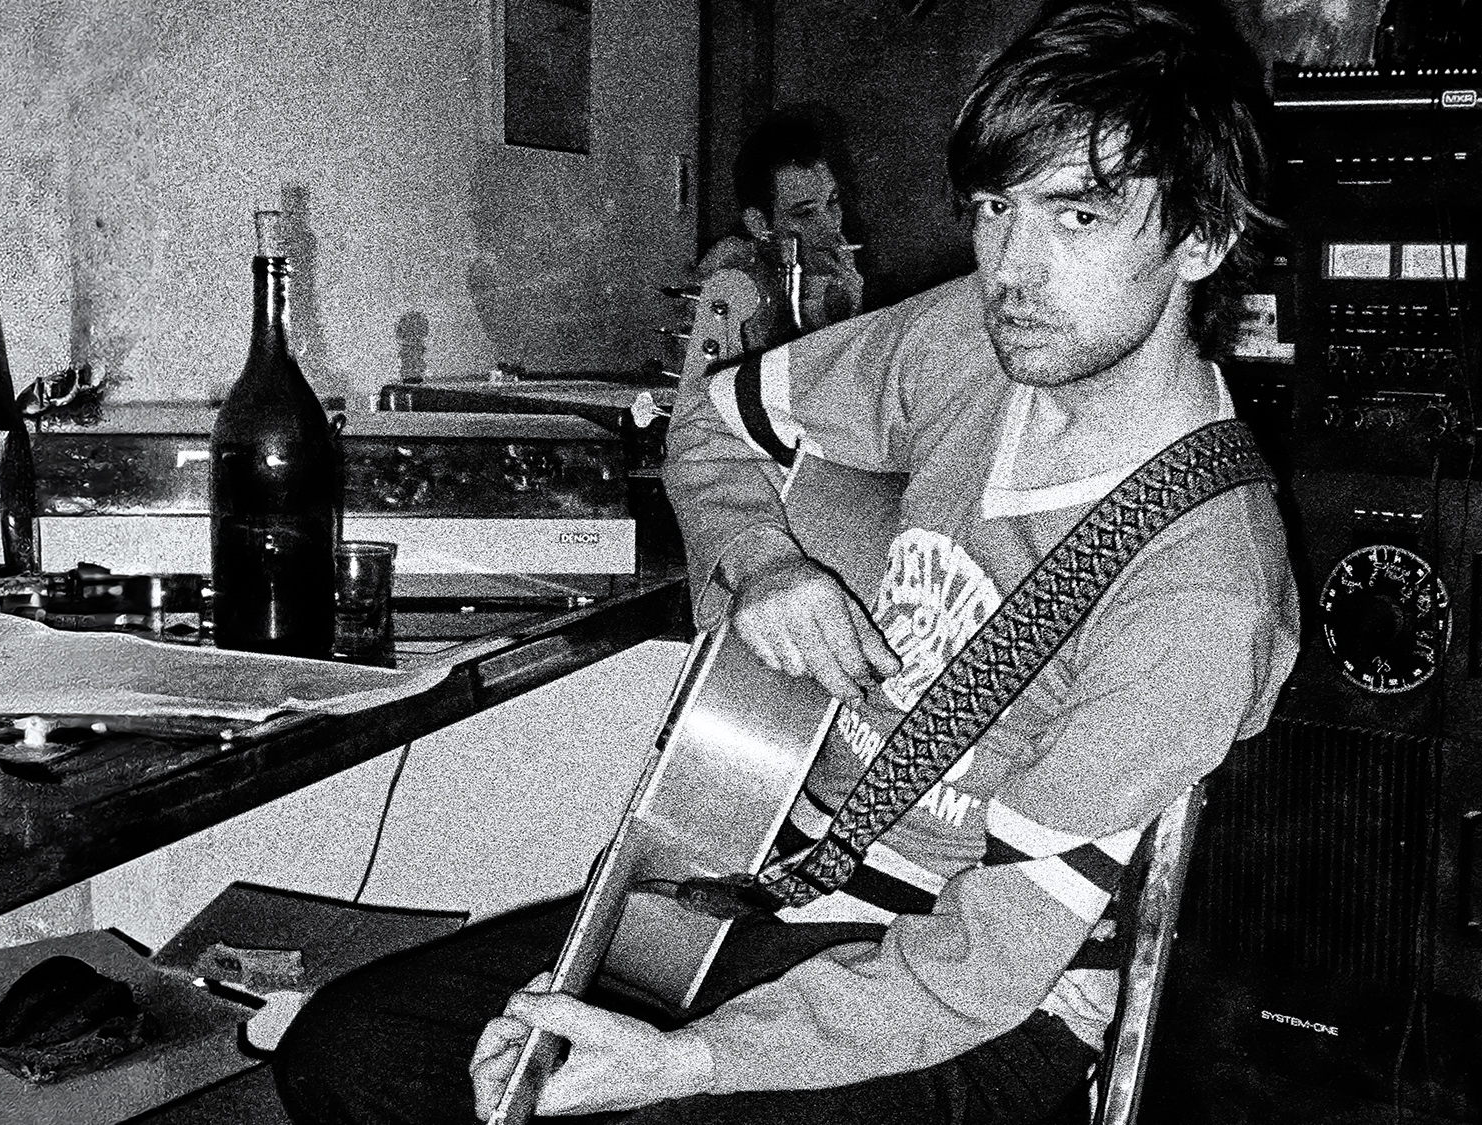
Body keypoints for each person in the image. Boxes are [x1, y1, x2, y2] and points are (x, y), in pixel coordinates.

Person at [271, 3, 1297, 1123]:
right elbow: (708, 425)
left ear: (1200, 238)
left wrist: (688, 1060)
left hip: (975, 990)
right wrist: (765, 564)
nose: (1013, 267)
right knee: (355, 1052)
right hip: (761, 873)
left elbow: (975, 966)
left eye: (1080, 218)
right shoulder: (964, 343)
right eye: (997, 208)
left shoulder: (1202, 595)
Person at [696, 109, 864, 347]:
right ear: (759, 224)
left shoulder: (844, 276)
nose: (830, 225)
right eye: (805, 213)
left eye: (832, 201)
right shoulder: (730, 276)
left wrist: (852, 305)